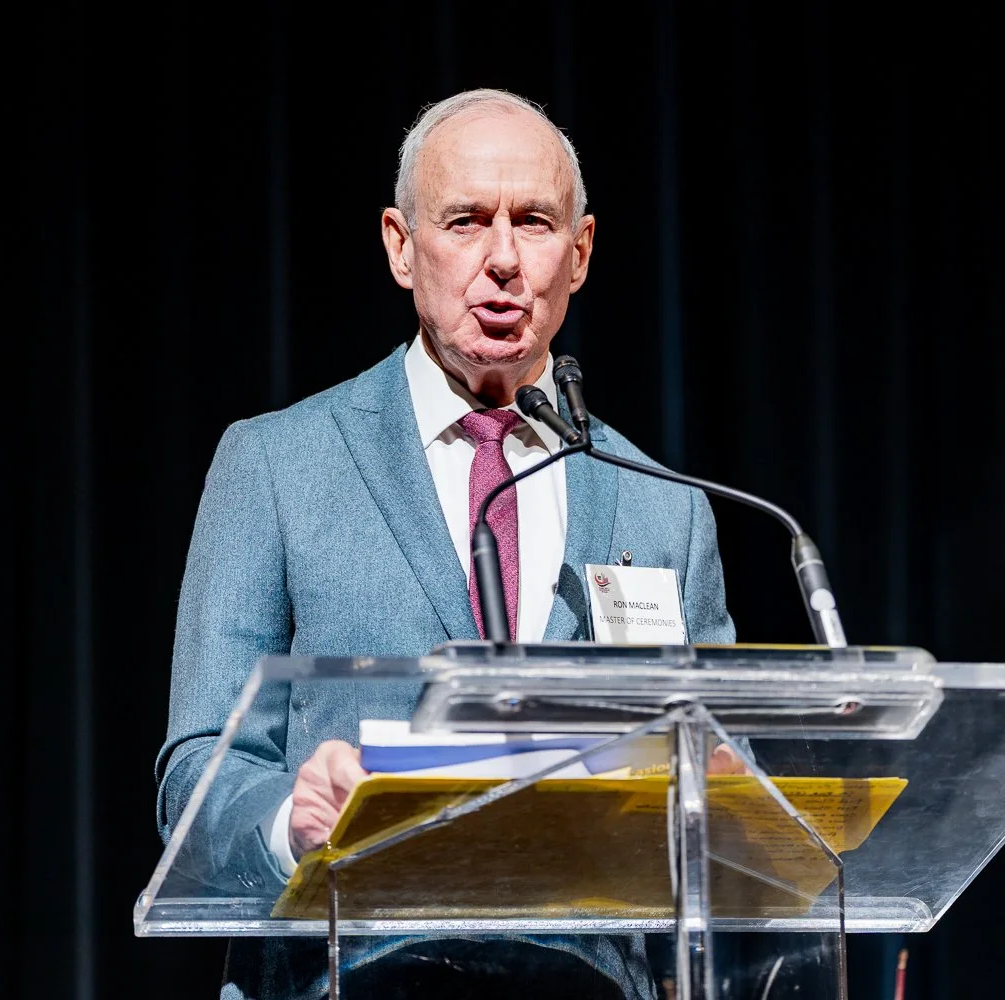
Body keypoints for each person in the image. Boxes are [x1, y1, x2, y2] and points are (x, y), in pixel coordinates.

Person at [156, 88, 735, 1000]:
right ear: (401, 245)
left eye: (534, 222)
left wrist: (724, 796)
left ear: (580, 252)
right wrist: (290, 821)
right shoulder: (274, 465)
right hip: (339, 974)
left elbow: (721, 779)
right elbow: (199, 769)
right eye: (465, 220)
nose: (502, 258)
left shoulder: (664, 507)